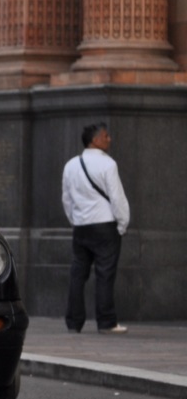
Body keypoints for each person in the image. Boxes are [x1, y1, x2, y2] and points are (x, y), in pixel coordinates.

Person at [61, 122, 130, 333]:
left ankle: (74, 322)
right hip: (105, 225)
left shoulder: (71, 165)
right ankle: (106, 322)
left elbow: (67, 198)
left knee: (77, 274)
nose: (109, 139)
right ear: (95, 140)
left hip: (81, 226)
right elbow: (117, 197)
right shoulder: (108, 164)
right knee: (105, 274)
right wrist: (123, 222)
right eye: (106, 136)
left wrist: (75, 220)